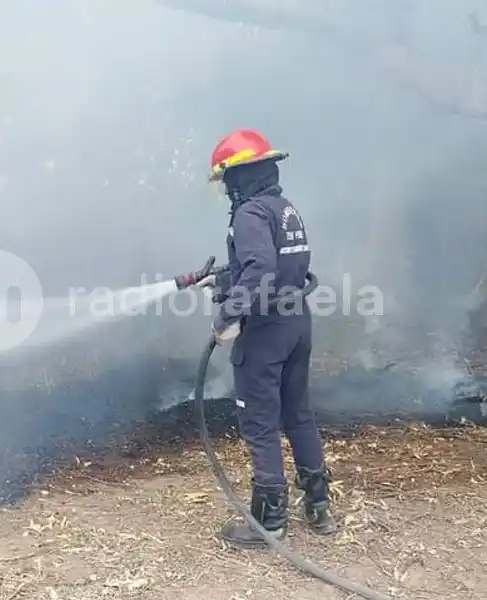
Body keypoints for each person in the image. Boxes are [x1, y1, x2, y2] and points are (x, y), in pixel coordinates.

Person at [179, 128, 337, 548]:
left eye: (227, 179)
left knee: (260, 424)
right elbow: (279, 267)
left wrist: (228, 313)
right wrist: (223, 280)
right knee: (297, 414)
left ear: (240, 174)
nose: (227, 189)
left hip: (265, 332)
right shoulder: (283, 209)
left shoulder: (249, 213)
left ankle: (268, 524)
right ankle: (318, 507)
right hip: (296, 324)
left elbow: (262, 267)